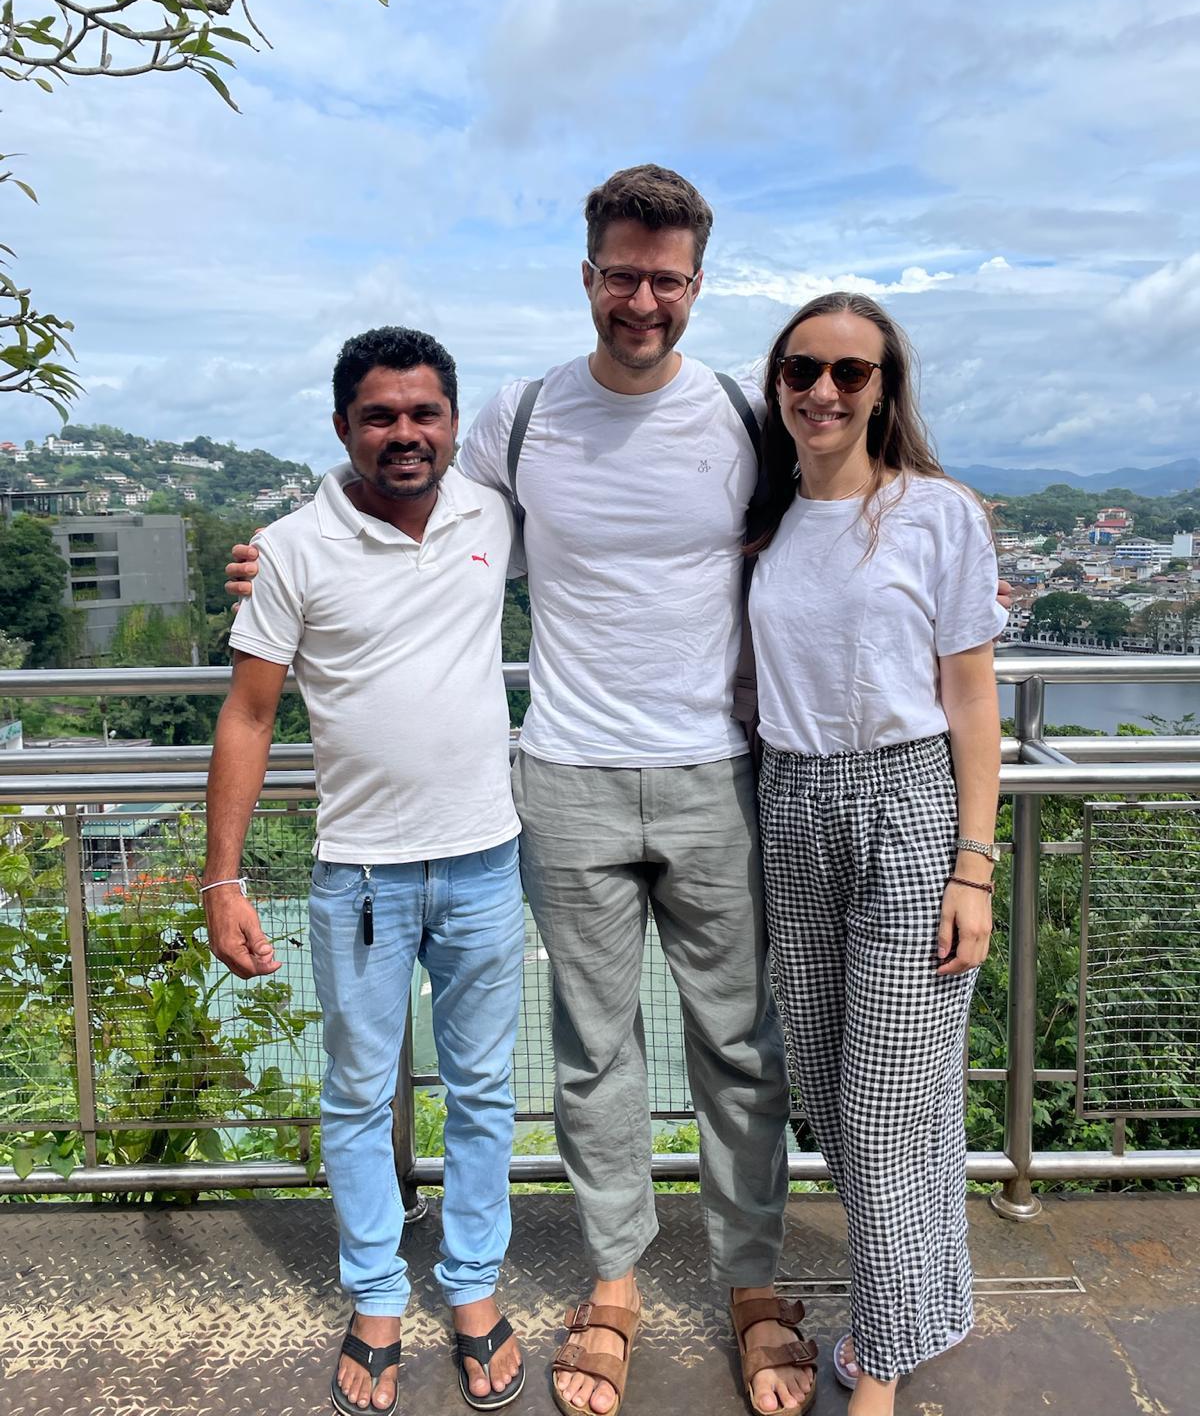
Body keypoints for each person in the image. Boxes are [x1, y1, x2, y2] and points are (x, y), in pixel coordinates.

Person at [232, 167, 816, 1416]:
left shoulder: (737, 412)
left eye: (667, 279)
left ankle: (753, 1282)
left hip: (715, 769)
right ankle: (614, 1282)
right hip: (562, 775)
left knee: (738, 1045)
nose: (643, 300)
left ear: (698, 284)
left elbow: (817, 525)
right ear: (588, 275)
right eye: (623, 274)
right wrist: (274, 554)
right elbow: (409, 496)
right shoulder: (524, 413)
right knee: (594, 1054)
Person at [203, 327, 527, 1416]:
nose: (405, 433)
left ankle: (473, 1287)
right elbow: (249, 716)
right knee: (355, 1095)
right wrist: (222, 879)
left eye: (424, 412)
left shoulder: (491, 514)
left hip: (487, 858)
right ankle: (378, 1296)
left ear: (453, 421)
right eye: (380, 415)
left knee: (484, 1092)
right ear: (343, 426)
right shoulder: (291, 548)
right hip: (360, 876)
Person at [747, 292, 1004, 1416]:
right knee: (827, 1082)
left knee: (889, 1105)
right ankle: (930, 1301)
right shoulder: (766, 519)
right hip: (792, 803)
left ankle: (882, 1371)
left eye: (850, 372)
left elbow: (972, 698)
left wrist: (974, 865)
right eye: (803, 369)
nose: (824, 390)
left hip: (905, 805)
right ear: (778, 382)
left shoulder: (936, 514)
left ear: (884, 389)